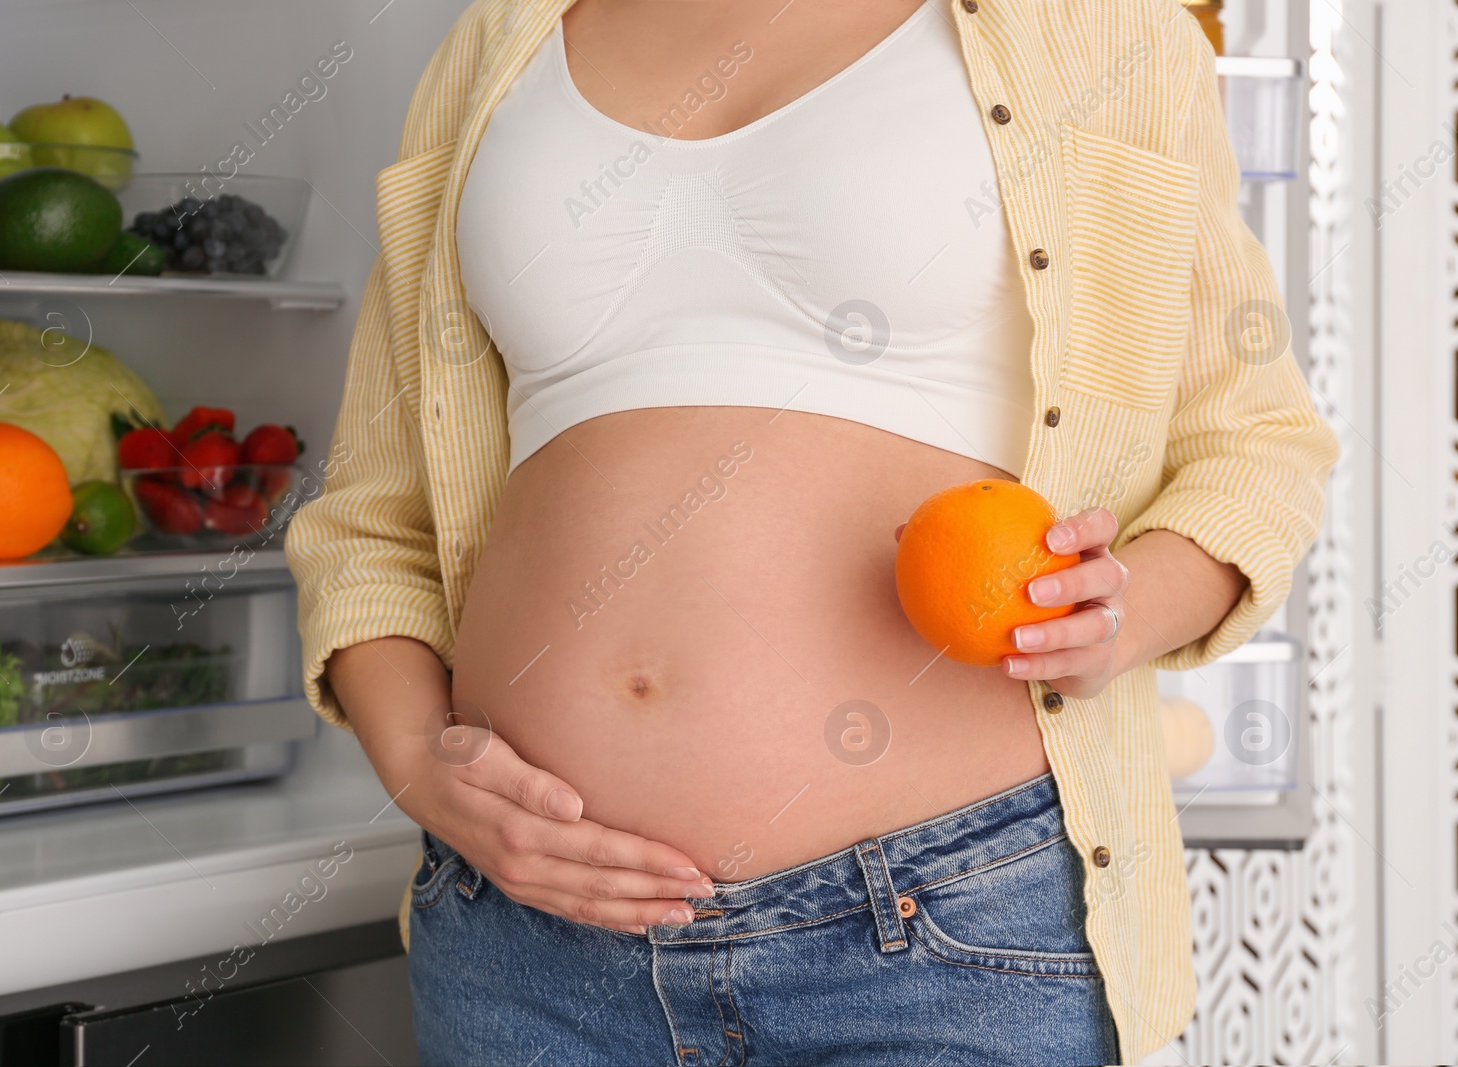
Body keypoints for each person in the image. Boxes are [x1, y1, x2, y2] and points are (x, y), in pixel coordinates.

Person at [285, 0, 1338, 1062]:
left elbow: (1252, 442)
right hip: (529, 950)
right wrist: (420, 762)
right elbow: (372, 520)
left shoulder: (1098, 29)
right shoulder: (495, 42)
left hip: (942, 933)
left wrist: (1122, 607)